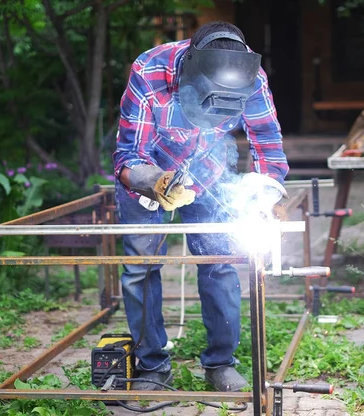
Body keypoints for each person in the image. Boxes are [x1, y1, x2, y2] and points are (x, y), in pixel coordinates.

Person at [113, 21, 289, 392]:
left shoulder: (251, 78)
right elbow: (129, 156)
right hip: (151, 170)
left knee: (219, 261)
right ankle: (152, 368)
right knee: (140, 267)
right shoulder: (150, 70)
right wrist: (155, 181)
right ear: (189, 71)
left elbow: (267, 143)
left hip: (210, 172)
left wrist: (264, 196)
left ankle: (221, 363)